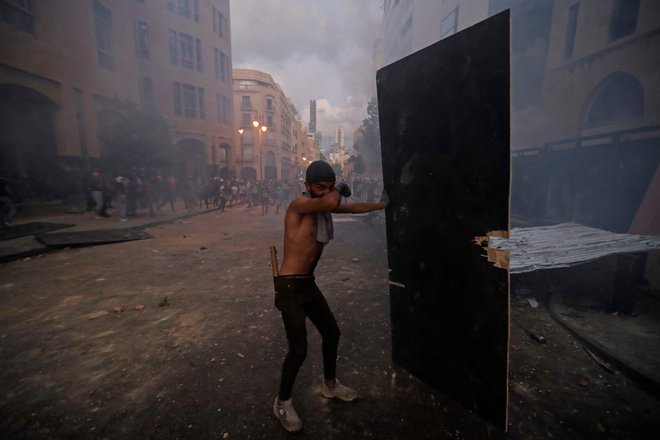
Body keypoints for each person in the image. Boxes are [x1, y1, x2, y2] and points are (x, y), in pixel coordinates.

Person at [272, 160, 385, 433]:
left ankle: (330, 385)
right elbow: (333, 201)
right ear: (307, 186)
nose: (325, 192)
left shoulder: (325, 207)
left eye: (329, 187)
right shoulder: (299, 205)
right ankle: (281, 402)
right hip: (289, 286)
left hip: (307, 283)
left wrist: (382, 205)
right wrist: (340, 187)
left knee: (331, 333)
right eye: (319, 187)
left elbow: (352, 206)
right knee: (298, 349)